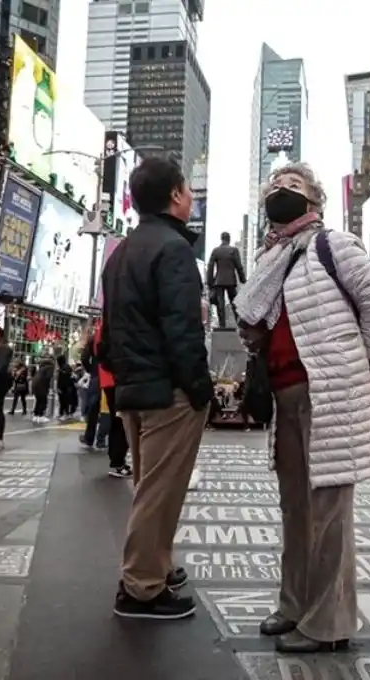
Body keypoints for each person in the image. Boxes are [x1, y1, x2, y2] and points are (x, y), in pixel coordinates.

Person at [235, 162, 370, 654]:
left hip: (330, 395)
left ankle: (328, 624)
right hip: (285, 396)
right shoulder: (268, 259)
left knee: (329, 514)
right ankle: (294, 605)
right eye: (274, 186)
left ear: (314, 201)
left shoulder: (333, 245)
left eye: (293, 185)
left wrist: (358, 359)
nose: (281, 191)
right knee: (296, 509)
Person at [100, 156, 213, 620]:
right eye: (187, 189)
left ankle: (158, 566)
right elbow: (182, 328)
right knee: (159, 493)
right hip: (169, 392)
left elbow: (109, 330)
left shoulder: (120, 253)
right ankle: (141, 587)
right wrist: (200, 388)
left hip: (133, 389)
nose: (191, 198)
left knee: (151, 488)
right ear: (174, 195)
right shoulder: (173, 250)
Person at [93, 321, 131, 477]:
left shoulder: (102, 327)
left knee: (118, 421)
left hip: (109, 380)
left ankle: (117, 461)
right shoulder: (110, 326)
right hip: (116, 380)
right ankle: (118, 462)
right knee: (122, 421)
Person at [206, 231, 246, 328]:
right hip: (231, 280)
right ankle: (239, 324)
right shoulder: (234, 250)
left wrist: (210, 282)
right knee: (234, 302)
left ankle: (222, 325)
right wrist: (243, 279)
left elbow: (210, 267)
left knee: (220, 303)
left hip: (219, 281)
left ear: (221, 239)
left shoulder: (216, 251)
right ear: (229, 239)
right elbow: (239, 266)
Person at [31, 356, 54, 423]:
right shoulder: (50, 367)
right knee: (43, 401)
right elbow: (48, 377)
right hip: (42, 385)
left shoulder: (41, 368)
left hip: (35, 385)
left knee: (38, 401)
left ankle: (36, 416)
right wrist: (49, 388)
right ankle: (41, 416)